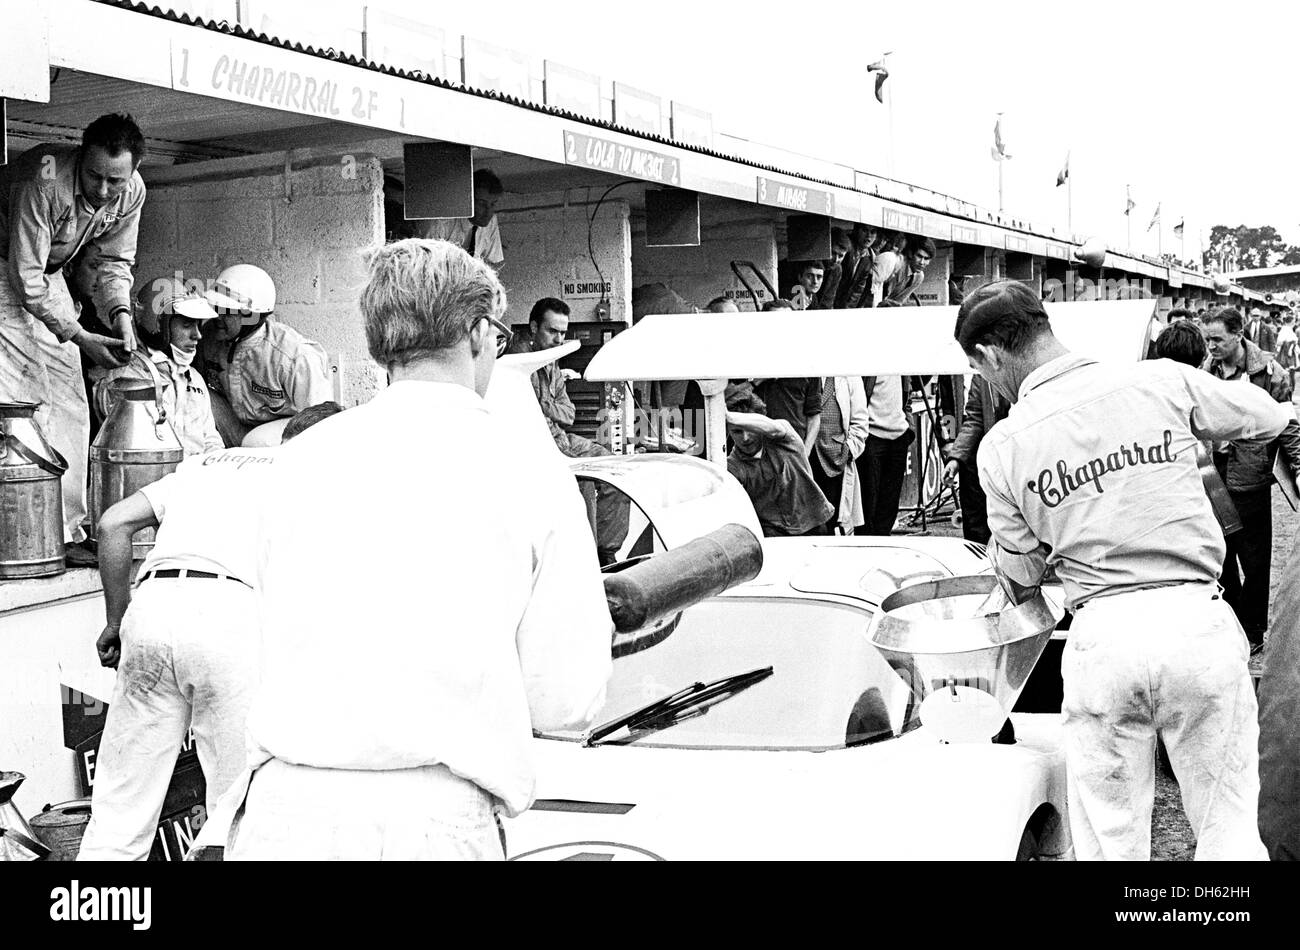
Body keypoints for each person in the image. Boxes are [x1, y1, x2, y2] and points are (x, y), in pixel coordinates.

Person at [222, 239, 612, 861]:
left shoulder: (297, 460)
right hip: (433, 819)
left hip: (285, 814)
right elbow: (564, 694)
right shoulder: (527, 468)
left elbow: (255, 633)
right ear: (481, 333)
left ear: (381, 342)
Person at [957, 279, 1291, 861]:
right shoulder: (1158, 380)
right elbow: (1266, 415)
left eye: (982, 371)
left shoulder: (1003, 445)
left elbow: (1022, 576)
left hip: (1103, 638)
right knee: (1230, 829)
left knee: (1112, 840)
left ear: (988, 355)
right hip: (1195, 623)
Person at [77, 403, 340, 861]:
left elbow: (111, 524)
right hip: (229, 616)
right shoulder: (308, 478)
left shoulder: (207, 464)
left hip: (153, 605)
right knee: (234, 808)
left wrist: (117, 621)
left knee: (119, 814)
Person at [0, 113, 147, 564]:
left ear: (133, 170)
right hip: (6, 267)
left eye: (115, 180)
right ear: (80, 156)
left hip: (49, 273)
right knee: (24, 397)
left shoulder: (133, 191)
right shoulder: (43, 179)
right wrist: (80, 335)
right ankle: (15, 533)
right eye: (95, 176)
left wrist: (120, 315)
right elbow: (24, 279)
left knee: (69, 397)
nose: (104, 190)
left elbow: (114, 263)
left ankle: (63, 531)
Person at [1203, 306, 1300, 655]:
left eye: (1217, 339)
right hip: (1213, 478)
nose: (1210, 345)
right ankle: (1232, 622)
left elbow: (1288, 425)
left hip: (1252, 479)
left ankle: (1254, 629)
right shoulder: (1207, 369)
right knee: (1220, 554)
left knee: (1256, 560)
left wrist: (1299, 469)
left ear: (1237, 334)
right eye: (1207, 339)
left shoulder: (1271, 374)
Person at [520, 296, 629, 566]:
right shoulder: (521, 362)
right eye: (552, 331)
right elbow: (536, 415)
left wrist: (544, 403)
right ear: (534, 327)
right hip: (538, 444)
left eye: (562, 333)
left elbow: (568, 414)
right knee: (585, 477)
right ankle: (588, 558)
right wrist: (550, 404)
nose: (559, 339)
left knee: (614, 466)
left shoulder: (552, 361)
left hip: (561, 437)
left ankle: (606, 550)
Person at [198, 263, 332, 447]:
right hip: (235, 428)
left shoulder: (293, 355)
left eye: (227, 311)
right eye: (216, 308)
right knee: (196, 394)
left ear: (253, 315)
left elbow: (321, 423)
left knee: (254, 442)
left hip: (281, 440)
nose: (217, 318)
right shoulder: (208, 336)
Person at [91, 277, 223, 457]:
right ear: (157, 325)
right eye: (186, 325)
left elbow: (211, 440)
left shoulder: (195, 378)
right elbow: (128, 452)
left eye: (197, 325)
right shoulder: (125, 379)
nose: (197, 335)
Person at [725, 385, 834, 537]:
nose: (745, 438)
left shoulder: (786, 438)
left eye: (750, 429)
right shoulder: (732, 465)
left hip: (813, 525)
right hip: (774, 533)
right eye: (737, 431)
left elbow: (774, 428)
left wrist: (730, 417)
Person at [941, 374, 1010, 545]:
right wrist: (950, 441)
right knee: (976, 521)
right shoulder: (950, 375)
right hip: (970, 450)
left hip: (1003, 453)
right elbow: (946, 410)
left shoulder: (993, 371)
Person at [854, 373, 915, 536]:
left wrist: (909, 428)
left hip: (898, 436)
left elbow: (910, 391)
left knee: (889, 505)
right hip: (872, 437)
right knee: (868, 507)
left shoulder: (900, 360)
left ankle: (884, 545)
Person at [808, 375, 870, 534]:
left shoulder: (850, 376)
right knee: (810, 523)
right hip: (806, 460)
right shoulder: (804, 373)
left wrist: (846, 452)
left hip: (835, 464)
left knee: (833, 522)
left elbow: (860, 423)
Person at [411, 168, 505, 268]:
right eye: (481, 203)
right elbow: (425, 268)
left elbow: (493, 264)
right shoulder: (439, 223)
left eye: (493, 204)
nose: (488, 212)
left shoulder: (491, 221)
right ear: (467, 200)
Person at [879, 237, 935, 307]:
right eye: (919, 256)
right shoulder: (898, 265)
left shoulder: (919, 277)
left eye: (926, 259)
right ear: (910, 254)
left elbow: (899, 302)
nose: (922, 262)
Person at [835, 223, 877, 310]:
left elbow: (857, 291)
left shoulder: (869, 257)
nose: (869, 236)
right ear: (856, 230)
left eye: (872, 232)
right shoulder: (846, 247)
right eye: (865, 230)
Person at [813, 228, 852, 310]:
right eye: (833, 253)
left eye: (841, 256)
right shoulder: (813, 263)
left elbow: (828, 301)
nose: (836, 259)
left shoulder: (837, 269)